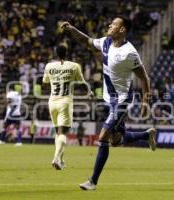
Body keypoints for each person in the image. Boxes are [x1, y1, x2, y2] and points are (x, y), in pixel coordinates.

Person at [61, 16, 156, 190]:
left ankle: (92, 181)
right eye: (110, 23)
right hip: (108, 98)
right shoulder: (105, 42)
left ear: (122, 30)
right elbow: (87, 41)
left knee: (103, 136)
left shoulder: (129, 53)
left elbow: (144, 77)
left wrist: (145, 102)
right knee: (116, 141)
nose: (109, 25)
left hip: (122, 100)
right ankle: (146, 135)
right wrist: (72, 29)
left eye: (114, 24)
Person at [43, 45, 86, 170]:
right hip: (65, 102)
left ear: (55, 53)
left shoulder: (49, 66)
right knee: (62, 133)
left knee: (58, 133)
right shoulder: (74, 66)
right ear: (67, 53)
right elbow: (82, 83)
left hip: (52, 102)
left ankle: (61, 161)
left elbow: (45, 82)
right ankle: (56, 158)